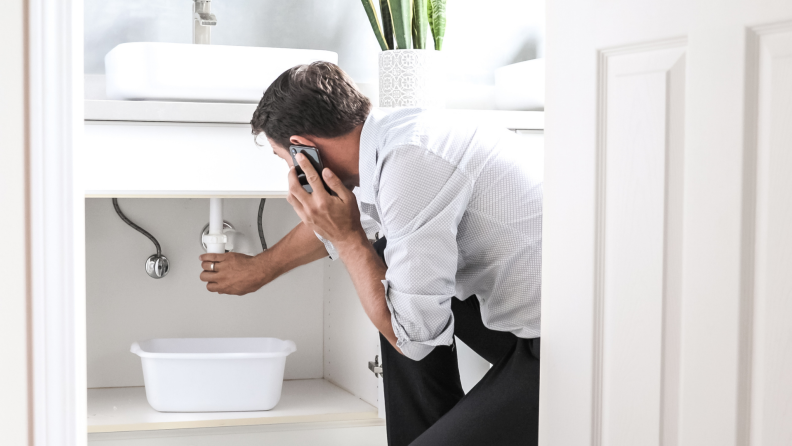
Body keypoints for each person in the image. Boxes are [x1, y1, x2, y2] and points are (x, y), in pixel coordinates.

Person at [199, 62, 542, 446]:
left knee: (380, 268)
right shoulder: (394, 137)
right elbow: (359, 215)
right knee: (385, 254)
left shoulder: (411, 165)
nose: (289, 170)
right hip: (530, 322)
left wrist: (349, 241)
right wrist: (261, 268)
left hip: (564, 348)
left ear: (304, 148)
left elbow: (416, 339)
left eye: (285, 159)